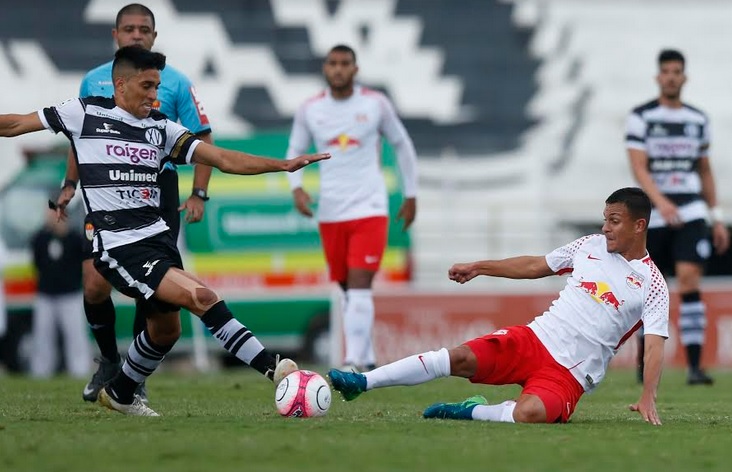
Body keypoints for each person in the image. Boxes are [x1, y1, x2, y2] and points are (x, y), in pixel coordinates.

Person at [0, 45, 329, 416]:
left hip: (158, 240)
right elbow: (15, 124)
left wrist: (282, 165)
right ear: (120, 85)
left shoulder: (161, 129)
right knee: (201, 297)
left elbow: (221, 158)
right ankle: (276, 370)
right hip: (118, 245)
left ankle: (121, 393)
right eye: (147, 86)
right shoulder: (84, 112)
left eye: (157, 87)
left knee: (166, 332)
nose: (155, 96)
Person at [328, 188, 669, 425]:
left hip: (570, 374)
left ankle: (472, 412)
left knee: (531, 414)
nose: (605, 228)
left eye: (614, 221)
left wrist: (648, 395)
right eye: (605, 219)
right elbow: (536, 265)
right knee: (458, 357)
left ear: (639, 226)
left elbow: (654, 346)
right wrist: (479, 267)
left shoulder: (652, 284)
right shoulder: (590, 246)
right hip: (533, 341)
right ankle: (362, 382)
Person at [54, 3, 215, 403]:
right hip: (104, 190)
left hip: (157, 191)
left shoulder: (173, 83)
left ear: (155, 37)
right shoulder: (94, 81)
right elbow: (79, 137)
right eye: (129, 28)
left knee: (155, 291)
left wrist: (198, 193)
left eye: (144, 29)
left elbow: (203, 140)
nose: (137, 34)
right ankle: (108, 360)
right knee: (93, 283)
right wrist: (69, 183)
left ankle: (133, 378)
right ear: (116, 35)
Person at [285, 44, 418, 371]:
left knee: (359, 285)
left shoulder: (375, 103)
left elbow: (402, 143)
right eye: (333, 63)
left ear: (355, 69)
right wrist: (297, 188)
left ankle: (353, 362)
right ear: (326, 69)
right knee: (346, 288)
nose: (339, 69)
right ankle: (367, 354)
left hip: (370, 207)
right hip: (331, 211)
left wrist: (410, 194)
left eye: (345, 63)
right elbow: (295, 149)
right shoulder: (310, 109)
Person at [626, 49, 730, 385]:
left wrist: (716, 216)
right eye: (666, 71)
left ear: (684, 77)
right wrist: (660, 203)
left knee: (689, 280)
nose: (671, 77)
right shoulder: (641, 116)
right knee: (650, 288)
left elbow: (705, 170)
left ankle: (695, 367)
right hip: (656, 214)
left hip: (691, 210)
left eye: (677, 71)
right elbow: (639, 167)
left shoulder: (697, 119)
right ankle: (645, 362)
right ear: (659, 77)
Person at [30, 207, 90, 378]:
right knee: (42, 335)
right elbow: (37, 263)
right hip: (46, 295)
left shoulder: (75, 239)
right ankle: (41, 371)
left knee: (75, 335)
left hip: (70, 295)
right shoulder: (40, 238)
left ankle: (79, 370)